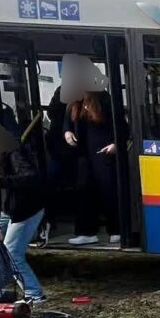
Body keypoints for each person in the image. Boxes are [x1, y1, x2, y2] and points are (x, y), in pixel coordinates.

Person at [0, 118, 48, 303]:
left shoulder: (14, 151)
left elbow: (29, 177)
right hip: (10, 209)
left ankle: (35, 294)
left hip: (27, 209)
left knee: (13, 252)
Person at [64, 90, 125, 245]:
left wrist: (116, 143)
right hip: (83, 154)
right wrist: (67, 132)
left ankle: (117, 229)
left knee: (108, 190)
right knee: (84, 191)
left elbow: (121, 124)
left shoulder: (103, 98)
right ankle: (86, 232)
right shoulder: (73, 99)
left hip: (103, 151)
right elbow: (66, 122)